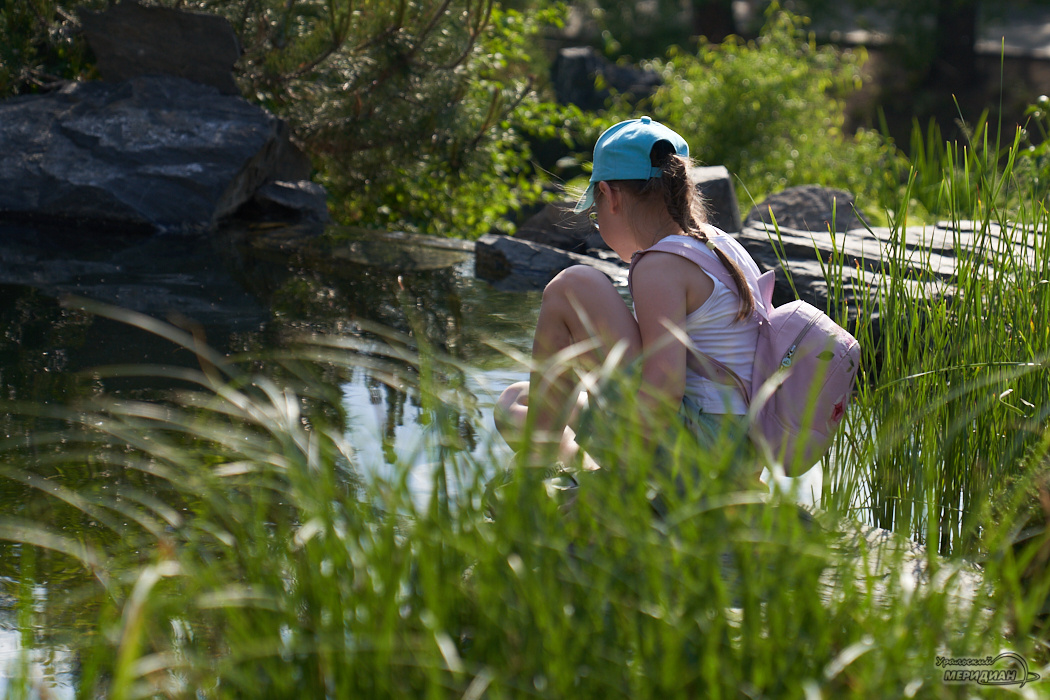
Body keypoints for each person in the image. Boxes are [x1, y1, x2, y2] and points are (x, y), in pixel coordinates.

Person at [494, 116, 763, 484]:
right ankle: (562, 450)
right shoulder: (722, 246)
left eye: (595, 208)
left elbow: (664, 391)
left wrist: (621, 474)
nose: (597, 220)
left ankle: (541, 455)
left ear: (611, 196)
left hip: (695, 457)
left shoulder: (660, 266)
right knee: (513, 399)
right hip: (739, 453)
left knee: (571, 286)